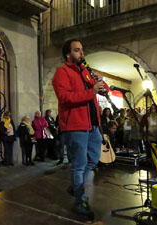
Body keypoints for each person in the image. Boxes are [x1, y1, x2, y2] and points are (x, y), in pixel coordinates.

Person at [52, 38, 109, 220]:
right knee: (78, 165)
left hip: (92, 124)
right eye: (77, 50)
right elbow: (65, 97)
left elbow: (103, 91)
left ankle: (75, 186)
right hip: (75, 126)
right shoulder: (61, 73)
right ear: (68, 54)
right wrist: (90, 92)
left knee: (93, 158)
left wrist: (102, 82)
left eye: (82, 50)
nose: (81, 53)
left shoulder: (85, 71)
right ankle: (80, 201)